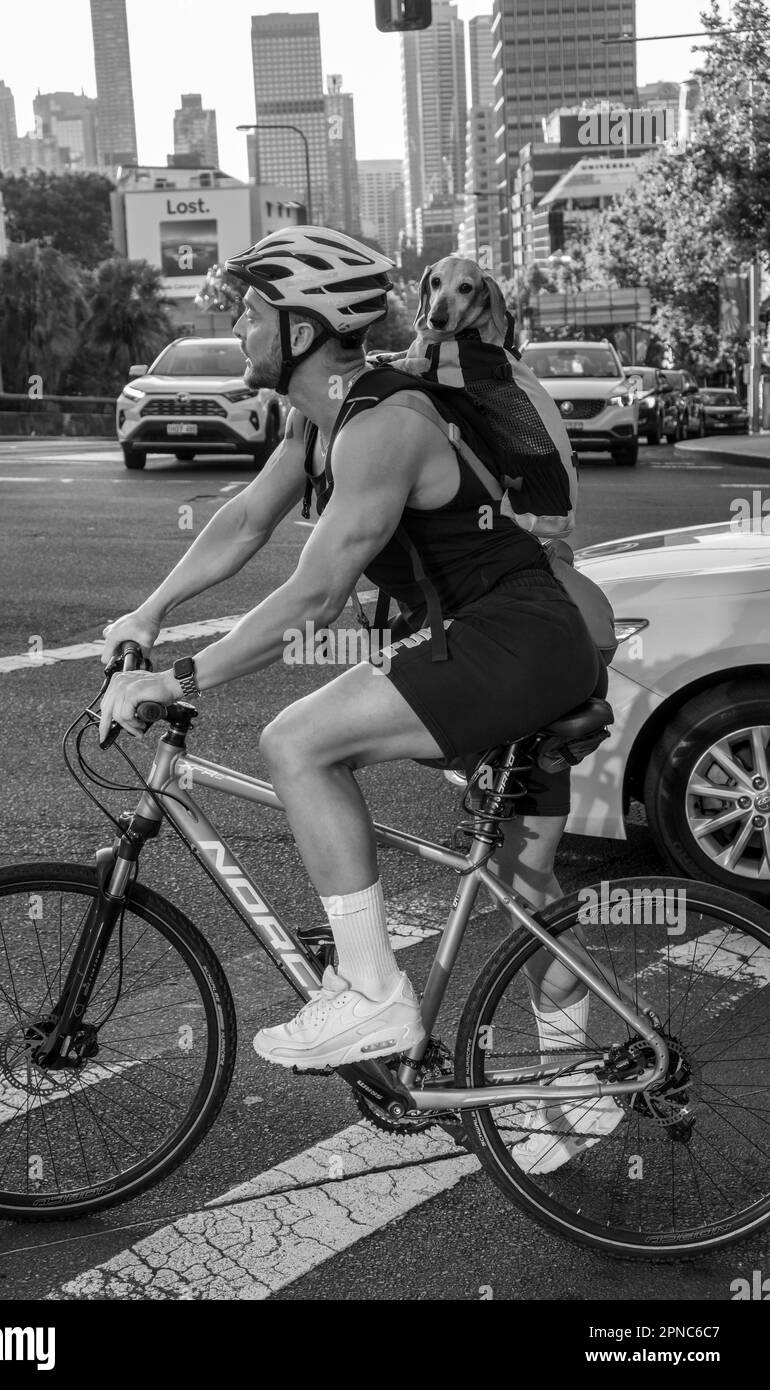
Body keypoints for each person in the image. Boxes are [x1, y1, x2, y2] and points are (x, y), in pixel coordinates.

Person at [99, 227, 620, 1172]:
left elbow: (317, 588)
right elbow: (249, 518)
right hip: (493, 642)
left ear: (304, 327)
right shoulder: (319, 420)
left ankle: (375, 993)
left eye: (253, 313)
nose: (238, 328)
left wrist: (178, 678)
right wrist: (149, 607)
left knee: (297, 741)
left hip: (519, 638)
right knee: (524, 880)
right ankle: (578, 1070)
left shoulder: (387, 421)